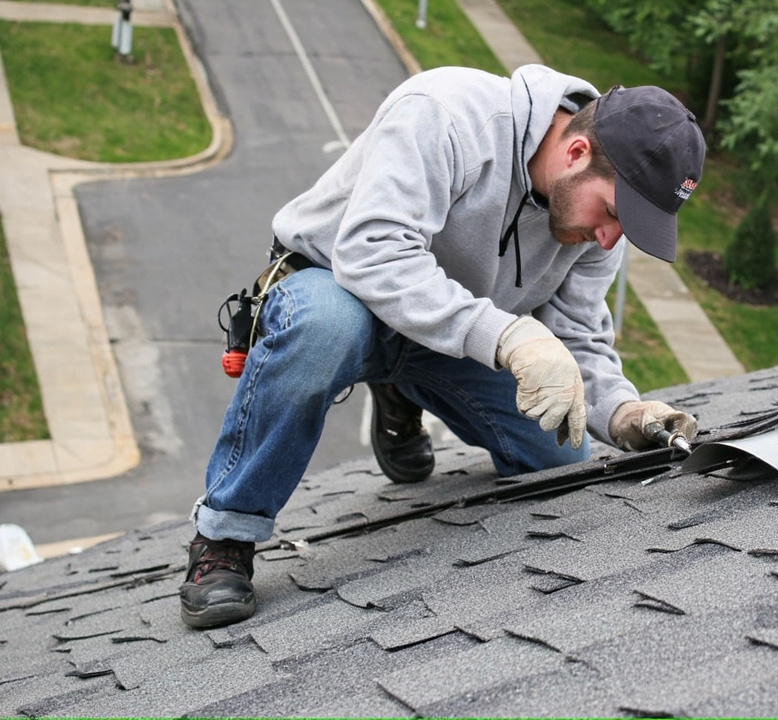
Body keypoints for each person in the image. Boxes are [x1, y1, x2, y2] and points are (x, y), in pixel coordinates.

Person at [178, 64, 706, 629]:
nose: (609, 238)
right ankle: (225, 534)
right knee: (326, 329)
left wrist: (623, 412)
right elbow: (373, 252)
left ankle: (402, 384)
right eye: (613, 215)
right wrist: (506, 335)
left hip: (448, 336)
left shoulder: (598, 225)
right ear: (576, 152)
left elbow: (578, 336)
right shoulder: (447, 113)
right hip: (341, 290)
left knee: (560, 454)